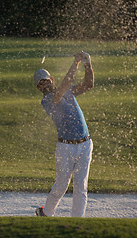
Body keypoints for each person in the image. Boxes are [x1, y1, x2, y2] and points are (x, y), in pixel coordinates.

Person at [34, 51, 94, 217]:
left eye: (45, 81)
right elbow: (64, 87)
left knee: (81, 186)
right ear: (38, 89)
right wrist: (75, 62)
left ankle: (77, 222)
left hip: (85, 144)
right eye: (40, 85)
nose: (43, 86)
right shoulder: (47, 101)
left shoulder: (68, 91)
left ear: (51, 79)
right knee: (61, 185)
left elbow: (89, 84)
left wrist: (87, 63)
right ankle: (46, 212)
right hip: (65, 147)